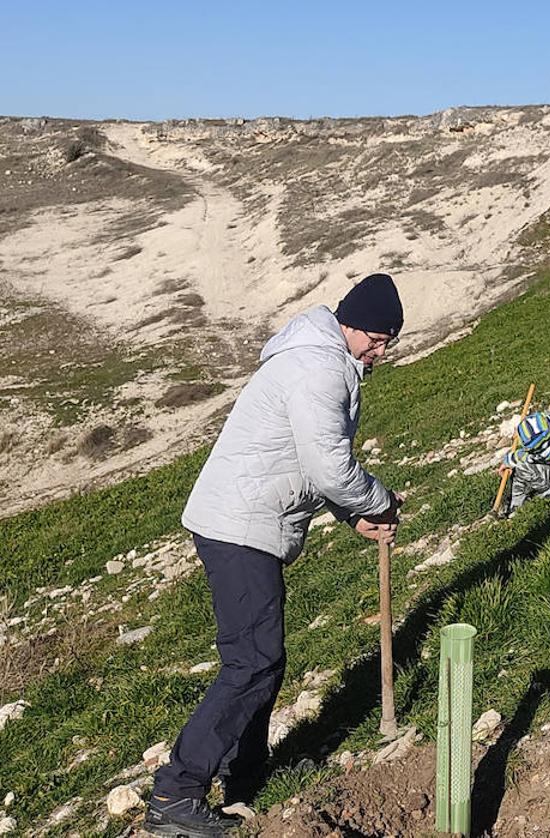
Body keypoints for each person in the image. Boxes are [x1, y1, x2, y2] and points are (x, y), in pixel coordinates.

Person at [145, 273, 407, 838]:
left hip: (246, 518)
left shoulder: (319, 357)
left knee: (263, 658)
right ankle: (176, 791)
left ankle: (246, 775)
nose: (381, 352)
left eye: (389, 342)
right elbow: (329, 466)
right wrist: (379, 499)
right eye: (378, 340)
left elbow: (305, 458)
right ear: (351, 323)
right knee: (252, 661)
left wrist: (350, 514)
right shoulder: (319, 369)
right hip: (239, 525)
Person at [500, 411, 550, 515]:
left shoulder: (546, 453)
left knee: (520, 468)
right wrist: (522, 429)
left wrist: (507, 461)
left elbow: (524, 457)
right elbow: (538, 419)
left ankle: (517, 506)